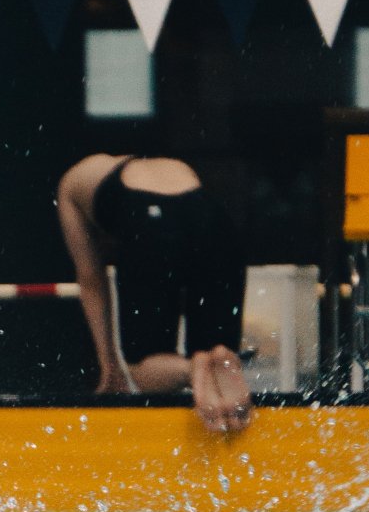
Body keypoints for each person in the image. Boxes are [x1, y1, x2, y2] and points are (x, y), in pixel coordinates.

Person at [57, 151, 251, 433]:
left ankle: (191, 368)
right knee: (216, 357)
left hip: (149, 223)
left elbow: (91, 280)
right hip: (214, 221)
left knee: (142, 370)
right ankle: (218, 357)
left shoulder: (71, 185)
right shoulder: (170, 167)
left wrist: (110, 365)